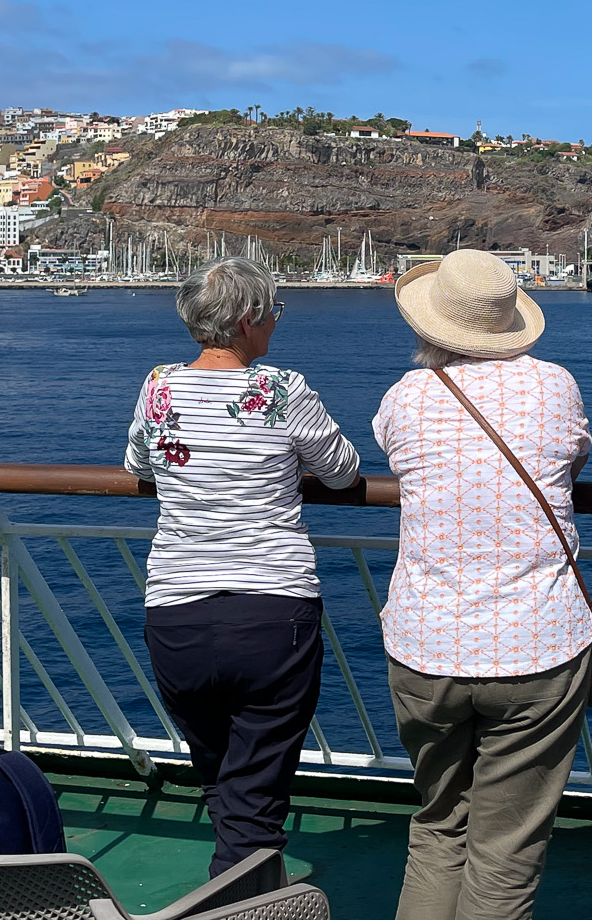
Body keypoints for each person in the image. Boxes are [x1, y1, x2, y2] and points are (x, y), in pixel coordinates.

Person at [373, 250, 592, 920]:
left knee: (440, 826)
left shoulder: (406, 397)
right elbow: (574, 459)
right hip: (538, 645)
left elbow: (396, 452)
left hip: (427, 645)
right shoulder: (555, 386)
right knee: (505, 852)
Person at [125, 257, 360, 877]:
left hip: (176, 613)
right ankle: (248, 903)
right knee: (255, 792)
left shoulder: (159, 385)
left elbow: (138, 465)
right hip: (272, 612)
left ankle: (235, 891)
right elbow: (342, 472)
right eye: (274, 312)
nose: (277, 323)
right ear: (249, 320)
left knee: (222, 779)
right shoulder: (282, 388)